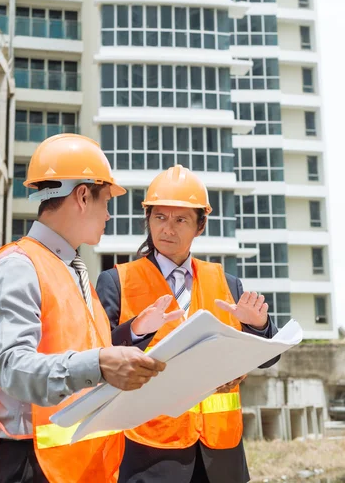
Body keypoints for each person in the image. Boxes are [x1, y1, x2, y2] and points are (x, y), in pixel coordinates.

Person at [0, 134, 179, 483]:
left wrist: (134, 333)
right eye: (106, 201)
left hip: (70, 464)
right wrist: (102, 363)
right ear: (83, 195)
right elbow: (13, 368)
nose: (108, 214)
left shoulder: (71, 272)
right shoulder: (19, 266)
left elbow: (79, 352)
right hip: (29, 465)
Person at [97, 164, 281, 483]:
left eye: (180, 219)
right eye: (160, 217)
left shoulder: (226, 282)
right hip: (148, 453)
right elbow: (97, 355)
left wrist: (259, 326)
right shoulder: (117, 281)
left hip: (221, 455)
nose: (168, 229)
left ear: (200, 225)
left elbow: (269, 356)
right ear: (148, 220)